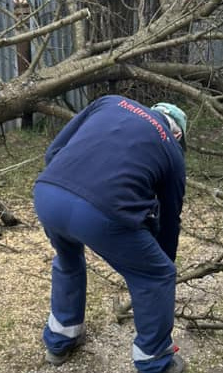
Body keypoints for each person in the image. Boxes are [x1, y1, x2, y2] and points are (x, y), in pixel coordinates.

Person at [33, 95, 187, 373]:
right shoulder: (171, 147)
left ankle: (60, 340)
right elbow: (170, 218)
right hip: (103, 213)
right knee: (157, 274)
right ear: (176, 132)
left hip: (48, 193)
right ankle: (155, 360)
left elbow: (53, 152)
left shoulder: (110, 103)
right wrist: (159, 263)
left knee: (68, 260)